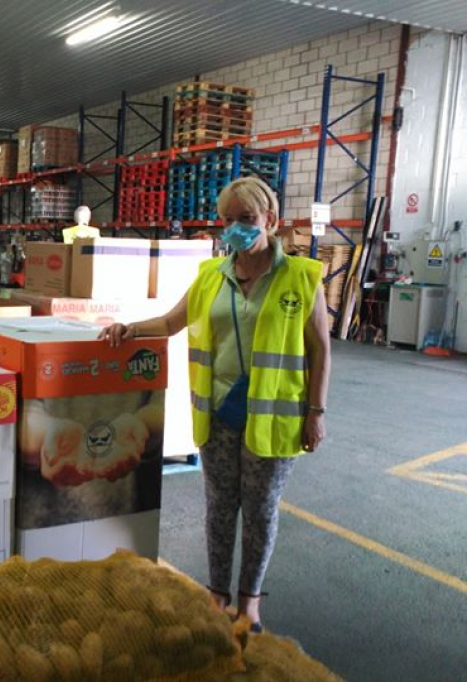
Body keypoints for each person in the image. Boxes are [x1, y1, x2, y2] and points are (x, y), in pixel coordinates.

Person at [99, 176, 331, 631]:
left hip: (275, 418)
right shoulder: (211, 276)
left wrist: (316, 413)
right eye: (227, 220)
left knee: (261, 511)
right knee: (220, 507)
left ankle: (250, 602)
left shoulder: (302, 278)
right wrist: (129, 328)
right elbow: (170, 321)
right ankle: (216, 594)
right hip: (219, 413)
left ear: (271, 220)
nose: (235, 228)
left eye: (245, 219)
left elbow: (320, 350)